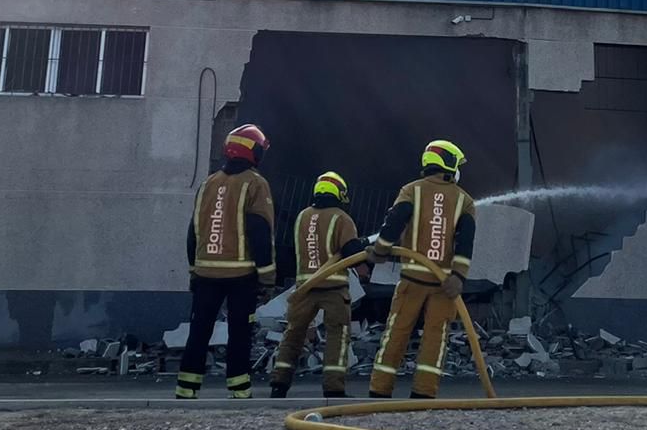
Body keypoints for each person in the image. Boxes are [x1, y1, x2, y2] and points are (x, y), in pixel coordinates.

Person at [367, 139, 475, 400]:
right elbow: (466, 242)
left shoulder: (411, 190)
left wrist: (379, 250)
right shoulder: (465, 201)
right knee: (435, 338)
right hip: (444, 285)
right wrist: (459, 276)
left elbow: (393, 224)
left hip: (411, 278)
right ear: (448, 164)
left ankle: (379, 391)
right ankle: (424, 394)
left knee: (396, 332)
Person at [177, 124, 275, 400]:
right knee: (240, 332)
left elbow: (193, 230)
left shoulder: (208, 183)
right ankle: (239, 389)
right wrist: (266, 277)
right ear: (253, 152)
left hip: (206, 272)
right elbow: (260, 232)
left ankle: (186, 388)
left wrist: (193, 270)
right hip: (241, 276)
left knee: (199, 330)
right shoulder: (255, 184)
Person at [269, 171, 369, 399]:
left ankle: (279, 383)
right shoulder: (341, 218)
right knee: (337, 336)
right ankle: (334, 388)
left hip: (304, 287)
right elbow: (351, 252)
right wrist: (365, 255)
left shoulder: (302, 217)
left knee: (293, 335)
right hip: (333, 288)